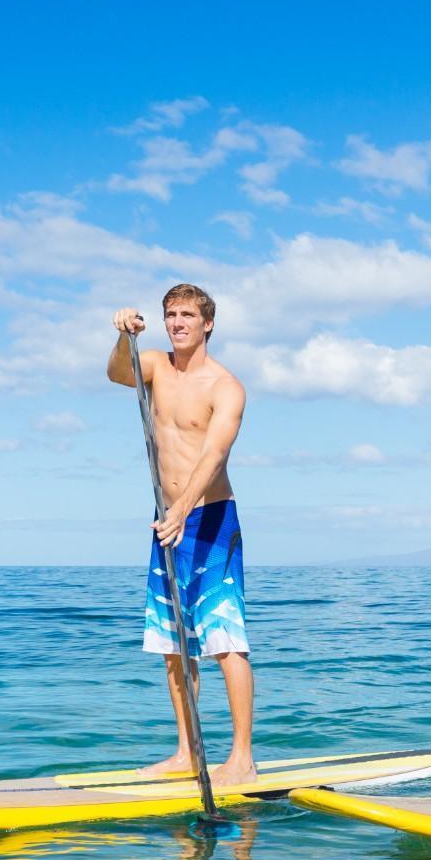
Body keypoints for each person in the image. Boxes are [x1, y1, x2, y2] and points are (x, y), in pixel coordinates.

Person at [107, 283, 256, 787]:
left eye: (187, 315)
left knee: (224, 638)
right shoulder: (153, 365)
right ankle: (187, 752)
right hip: (166, 520)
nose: (177, 323)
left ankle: (241, 757)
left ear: (207, 323)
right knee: (174, 642)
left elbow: (214, 455)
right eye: (170, 314)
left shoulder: (225, 386)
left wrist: (183, 510)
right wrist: (121, 336)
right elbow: (117, 374)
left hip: (210, 520)